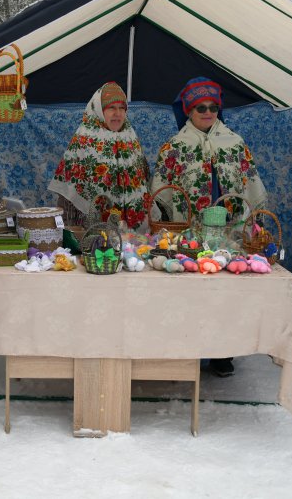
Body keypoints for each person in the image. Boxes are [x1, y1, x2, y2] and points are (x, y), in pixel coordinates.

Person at [151, 77, 268, 377]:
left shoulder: (235, 144)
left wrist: (252, 222)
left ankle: (222, 353)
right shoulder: (174, 147)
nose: (207, 112)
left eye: (213, 107)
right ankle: (186, 349)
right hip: (190, 231)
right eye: (200, 107)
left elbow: (251, 184)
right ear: (188, 110)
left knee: (226, 290)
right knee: (190, 291)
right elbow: (161, 193)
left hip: (230, 230)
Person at [47, 81, 151, 231]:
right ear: (99, 110)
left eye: (122, 108)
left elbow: (144, 182)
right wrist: (71, 232)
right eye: (112, 108)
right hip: (90, 233)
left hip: (133, 235)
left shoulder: (131, 139)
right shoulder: (83, 141)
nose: (118, 113)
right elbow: (69, 196)